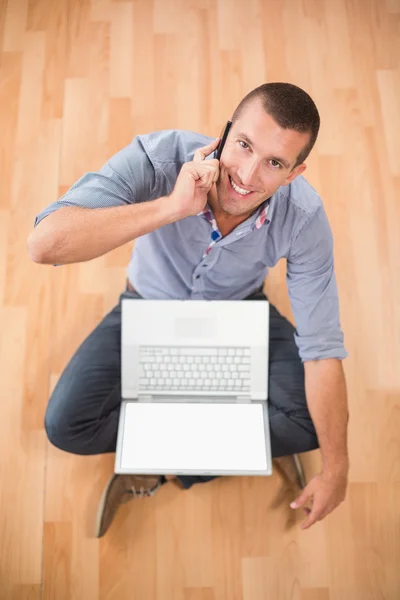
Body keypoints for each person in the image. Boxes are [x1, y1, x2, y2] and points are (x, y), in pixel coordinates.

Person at [28, 82, 349, 538]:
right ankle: (235, 445)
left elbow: (322, 349)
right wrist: (171, 207)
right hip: (147, 306)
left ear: (295, 173)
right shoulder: (159, 158)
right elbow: (44, 245)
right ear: (222, 134)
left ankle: (153, 463)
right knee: (66, 426)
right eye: (243, 146)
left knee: (314, 427)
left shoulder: (305, 216)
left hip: (239, 311)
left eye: (274, 163)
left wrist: (337, 470)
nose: (248, 174)